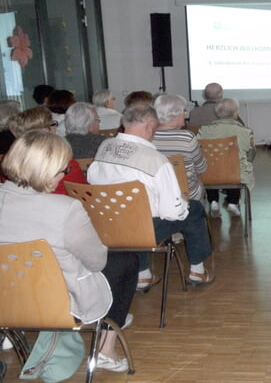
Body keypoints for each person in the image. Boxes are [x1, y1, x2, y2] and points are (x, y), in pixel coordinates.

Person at [0, 131, 137, 372]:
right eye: (62, 171)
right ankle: (106, 348)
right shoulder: (66, 209)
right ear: (45, 171)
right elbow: (97, 262)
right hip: (58, 304)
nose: (63, 176)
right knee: (125, 261)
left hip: (6, 299)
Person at [87, 102, 213, 288]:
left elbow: (91, 180)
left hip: (106, 225)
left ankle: (143, 275)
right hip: (143, 229)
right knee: (193, 209)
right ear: (148, 126)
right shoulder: (156, 160)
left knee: (131, 211)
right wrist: (183, 203)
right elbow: (172, 214)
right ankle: (198, 272)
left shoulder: (105, 146)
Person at [7, 106, 87, 195]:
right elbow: (85, 193)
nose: (56, 128)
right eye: (53, 124)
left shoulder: (9, 162)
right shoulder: (65, 165)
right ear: (45, 131)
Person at [201, 98, 255, 218]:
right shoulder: (245, 131)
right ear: (235, 113)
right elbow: (250, 155)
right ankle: (233, 202)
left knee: (211, 165)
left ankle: (213, 202)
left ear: (217, 113)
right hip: (235, 175)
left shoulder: (204, 130)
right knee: (237, 165)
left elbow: (198, 152)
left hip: (209, 175)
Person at [152, 94, 207, 201]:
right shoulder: (187, 137)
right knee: (199, 184)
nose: (185, 115)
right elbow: (201, 168)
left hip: (157, 194)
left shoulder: (148, 137)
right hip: (185, 194)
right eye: (184, 111)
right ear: (175, 114)